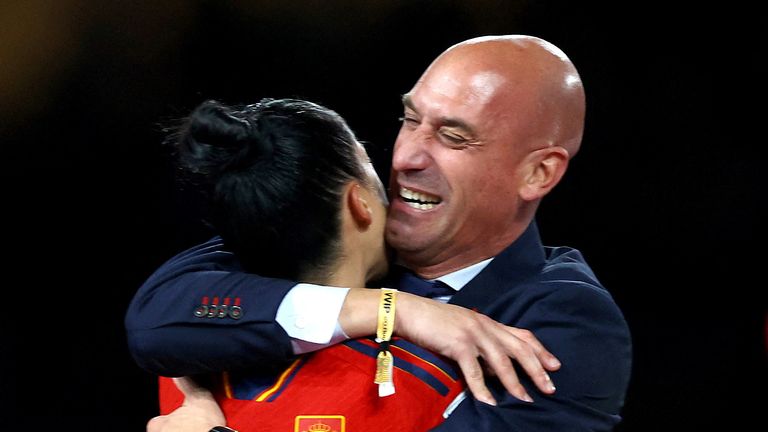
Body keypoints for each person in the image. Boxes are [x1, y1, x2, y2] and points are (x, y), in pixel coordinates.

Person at [127, 34, 632, 431]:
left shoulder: (564, 324)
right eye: (410, 119)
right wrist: (398, 311)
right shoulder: (339, 231)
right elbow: (155, 319)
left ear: (538, 174)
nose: (407, 157)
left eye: (453, 137)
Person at [141, 96, 558, 432]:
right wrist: (395, 309)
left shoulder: (183, 364)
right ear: (359, 202)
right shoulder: (437, 373)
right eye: (369, 165)